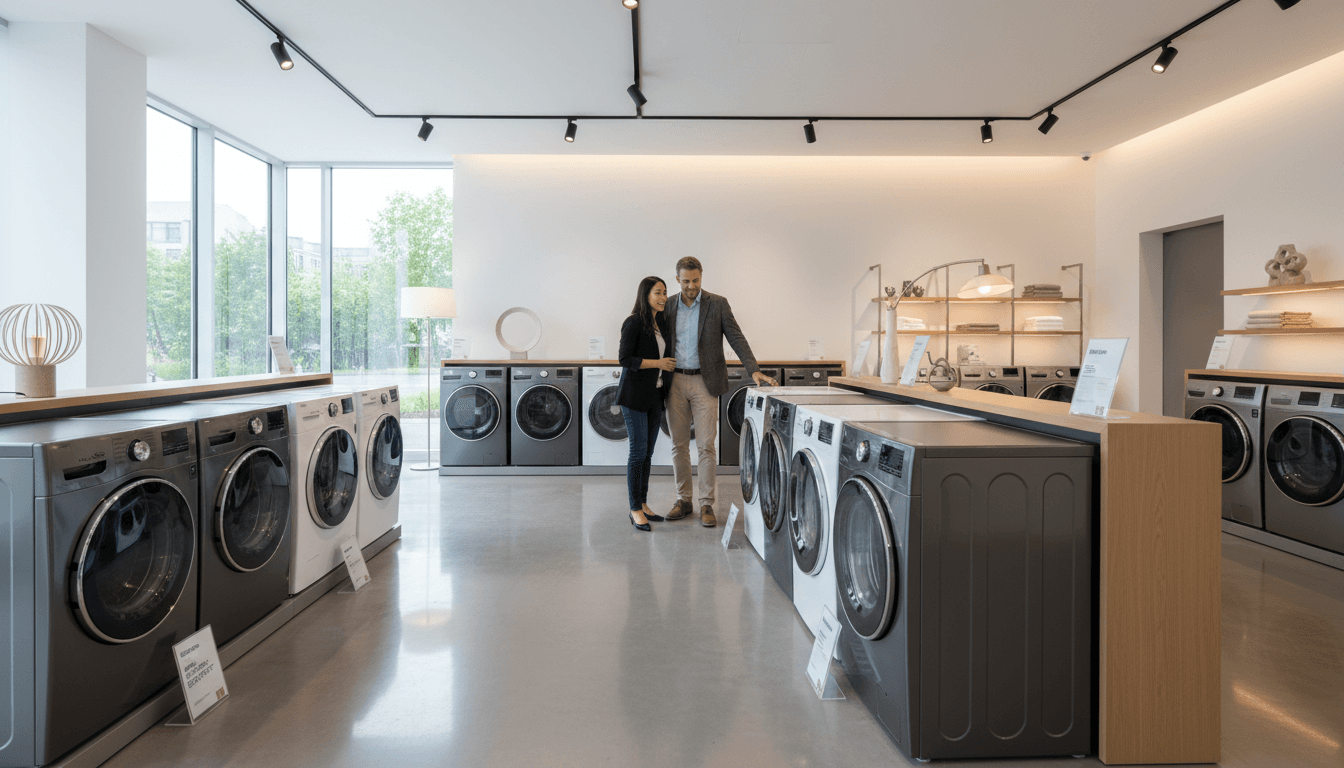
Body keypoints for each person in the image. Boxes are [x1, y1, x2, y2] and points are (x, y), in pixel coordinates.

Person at [664, 256, 777, 527]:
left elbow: (736, 336)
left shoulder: (718, 304)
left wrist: (754, 369)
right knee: (678, 445)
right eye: (686, 281)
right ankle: (684, 499)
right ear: (677, 279)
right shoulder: (667, 305)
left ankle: (706, 504)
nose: (691, 286)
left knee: (705, 445)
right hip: (675, 382)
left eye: (696, 280)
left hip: (706, 382)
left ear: (701, 277)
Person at [615, 276, 677, 531]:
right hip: (634, 396)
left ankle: (643, 502)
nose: (663, 298)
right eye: (658, 293)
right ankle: (634, 508)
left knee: (648, 453)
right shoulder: (633, 322)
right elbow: (625, 359)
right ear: (646, 295)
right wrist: (658, 364)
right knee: (638, 452)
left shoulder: (660, 323)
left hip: (655, 395)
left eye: (665, 293)